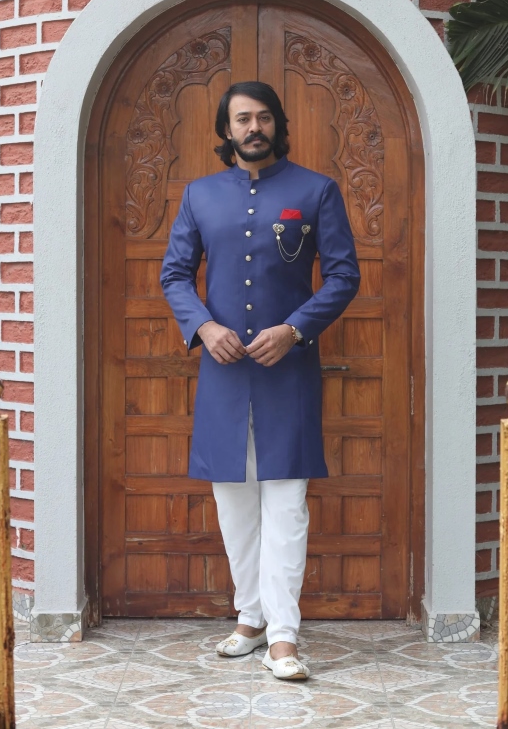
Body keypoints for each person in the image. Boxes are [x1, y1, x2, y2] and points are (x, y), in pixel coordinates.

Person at [160, 81, 360, 681]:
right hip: (222, 375)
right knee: (233, 504)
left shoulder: (316, 190)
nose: (254, 128)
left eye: (264, 117)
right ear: (225, 130)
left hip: (289, 373)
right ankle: (249, 617)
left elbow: (343, 277)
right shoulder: (199, 195)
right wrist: (203, 327)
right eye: (242, 119)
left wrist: (295, 331)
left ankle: (284, 635)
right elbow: (174, 275)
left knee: (287, 504)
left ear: (278, 125)